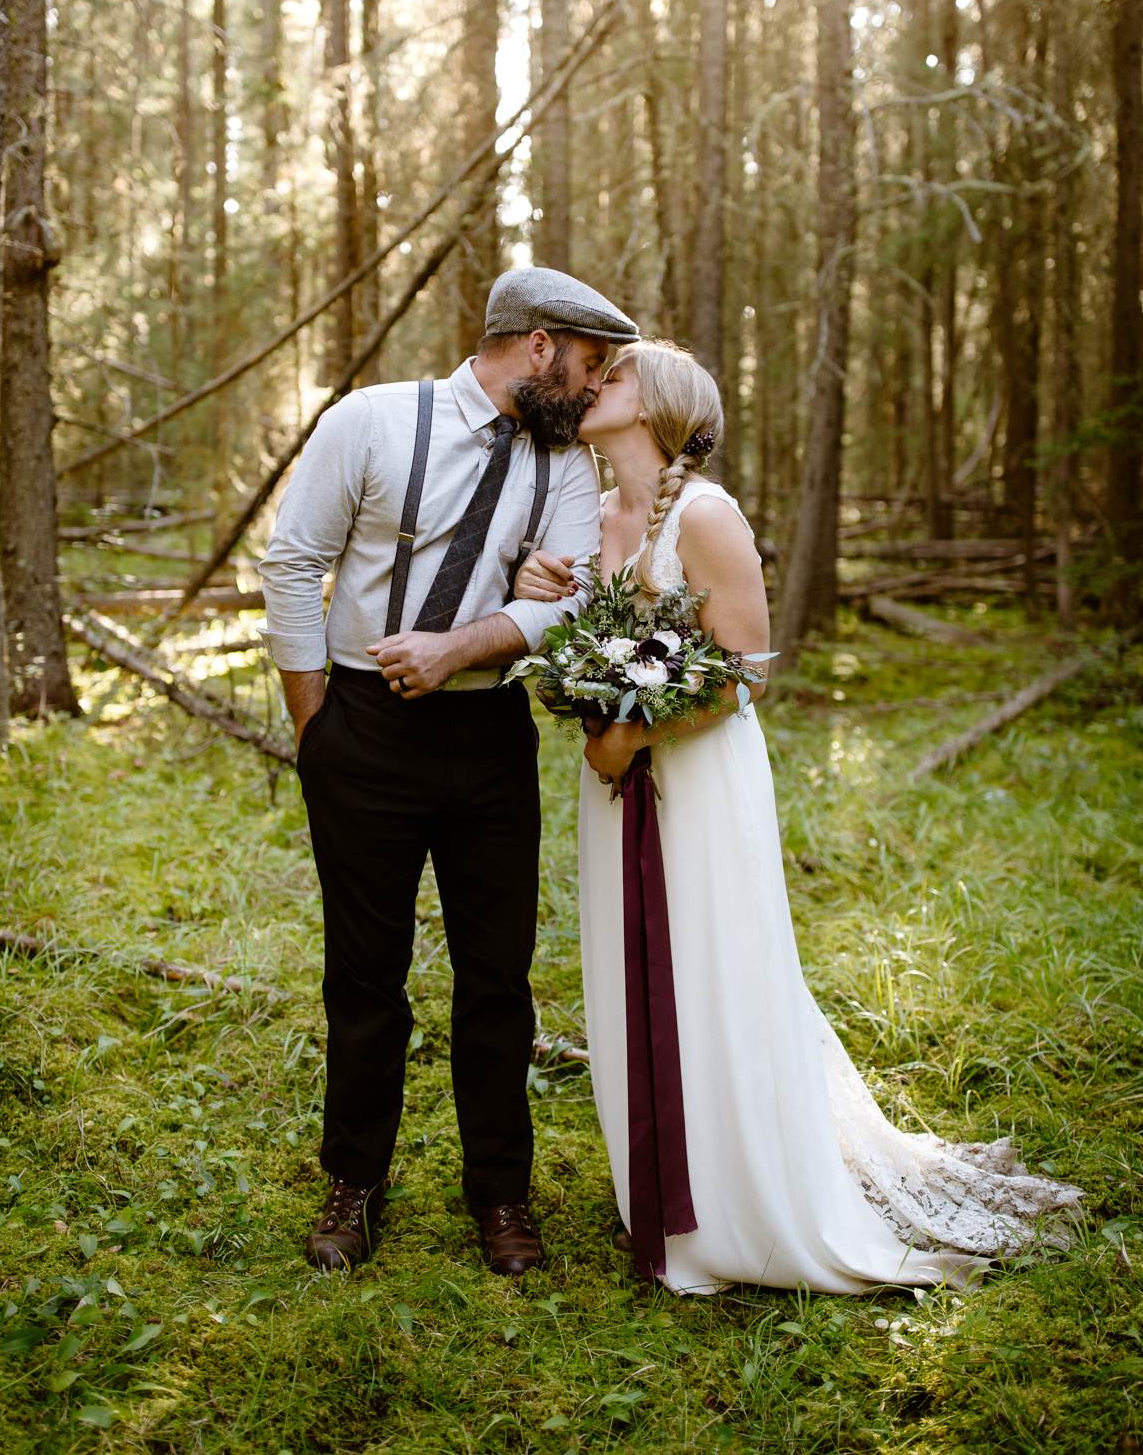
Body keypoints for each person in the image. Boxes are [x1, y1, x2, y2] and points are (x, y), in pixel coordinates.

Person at [513, 340, 1081, 1294]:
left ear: (664, 406)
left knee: (712, 967)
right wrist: (547, 600)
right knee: (627, 969)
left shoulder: (705, 515)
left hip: (695, 779)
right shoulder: (596, 509)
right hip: (613, 784)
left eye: (617, 373)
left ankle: (745, 1204)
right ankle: (659, 1190)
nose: (596, 379)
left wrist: (637, 737)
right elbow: (586, 636)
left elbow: (747, 674)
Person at [258, 268, 638, 1276]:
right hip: (360, 732)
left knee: (498, 979)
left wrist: (458, 648)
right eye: (590, 365)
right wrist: (314, 723)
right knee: (365, 976)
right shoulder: (371, 421)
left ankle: (502, 1198)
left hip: (488, 740)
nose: (594, 390)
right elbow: (294, 560)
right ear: (540, 345)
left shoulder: (563, 463)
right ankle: (353, 1185)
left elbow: (569, 599)